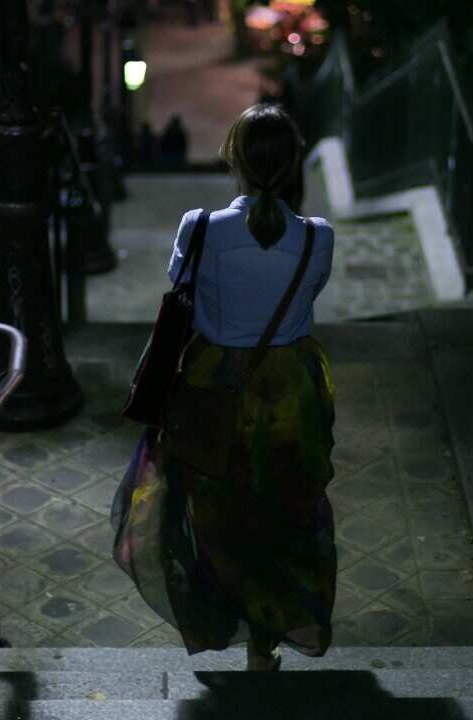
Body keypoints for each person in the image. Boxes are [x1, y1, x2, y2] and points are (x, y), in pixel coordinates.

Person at [112, 104, 337, 671]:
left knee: (212, 510)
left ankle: (218, 613)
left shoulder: (201, 228)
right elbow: (307, 300)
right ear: (291, 167)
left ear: (232, 159)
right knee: (284, 513)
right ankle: (266, 640)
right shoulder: (318, 239)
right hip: (289, 393)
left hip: (213, 384)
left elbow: (180, 284)